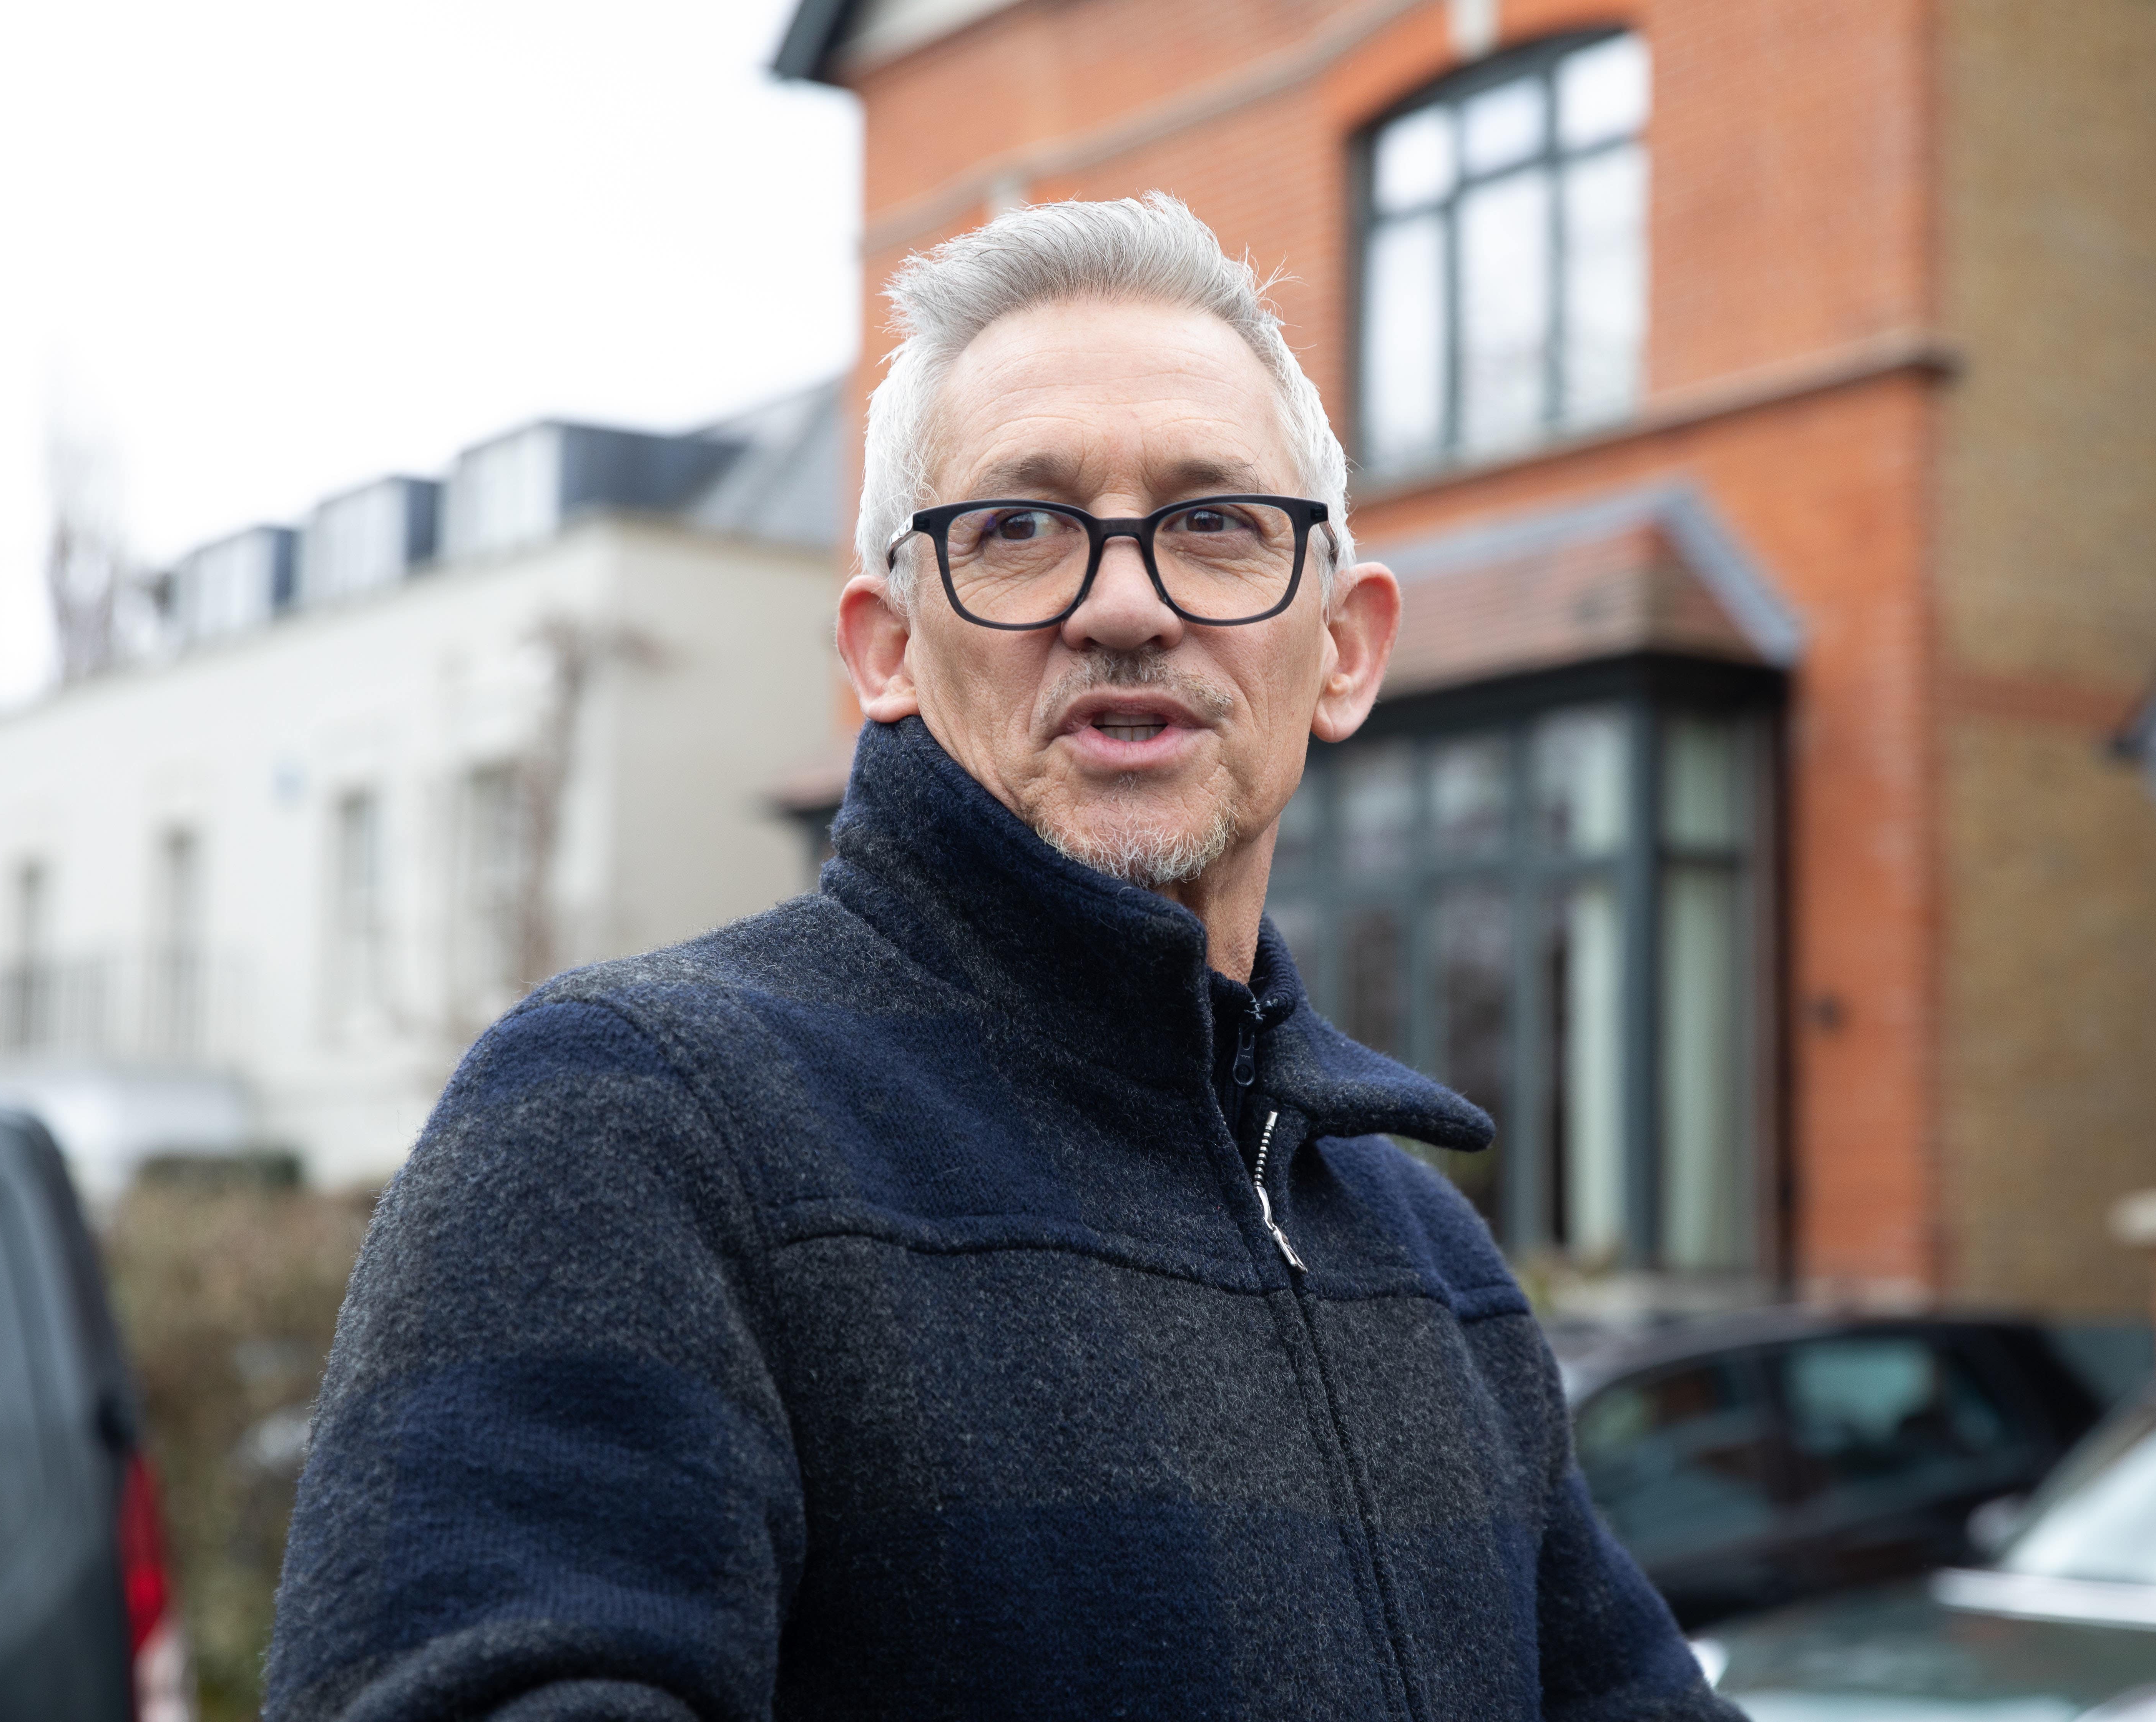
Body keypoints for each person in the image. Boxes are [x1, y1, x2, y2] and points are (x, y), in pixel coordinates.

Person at [266, 194, 1737, 1722]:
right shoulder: (641, 1119)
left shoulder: (1428, 1263)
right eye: (1018, 528)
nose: (1124, 604)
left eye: (1218, 523)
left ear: (1346, 647)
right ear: (886, 648)